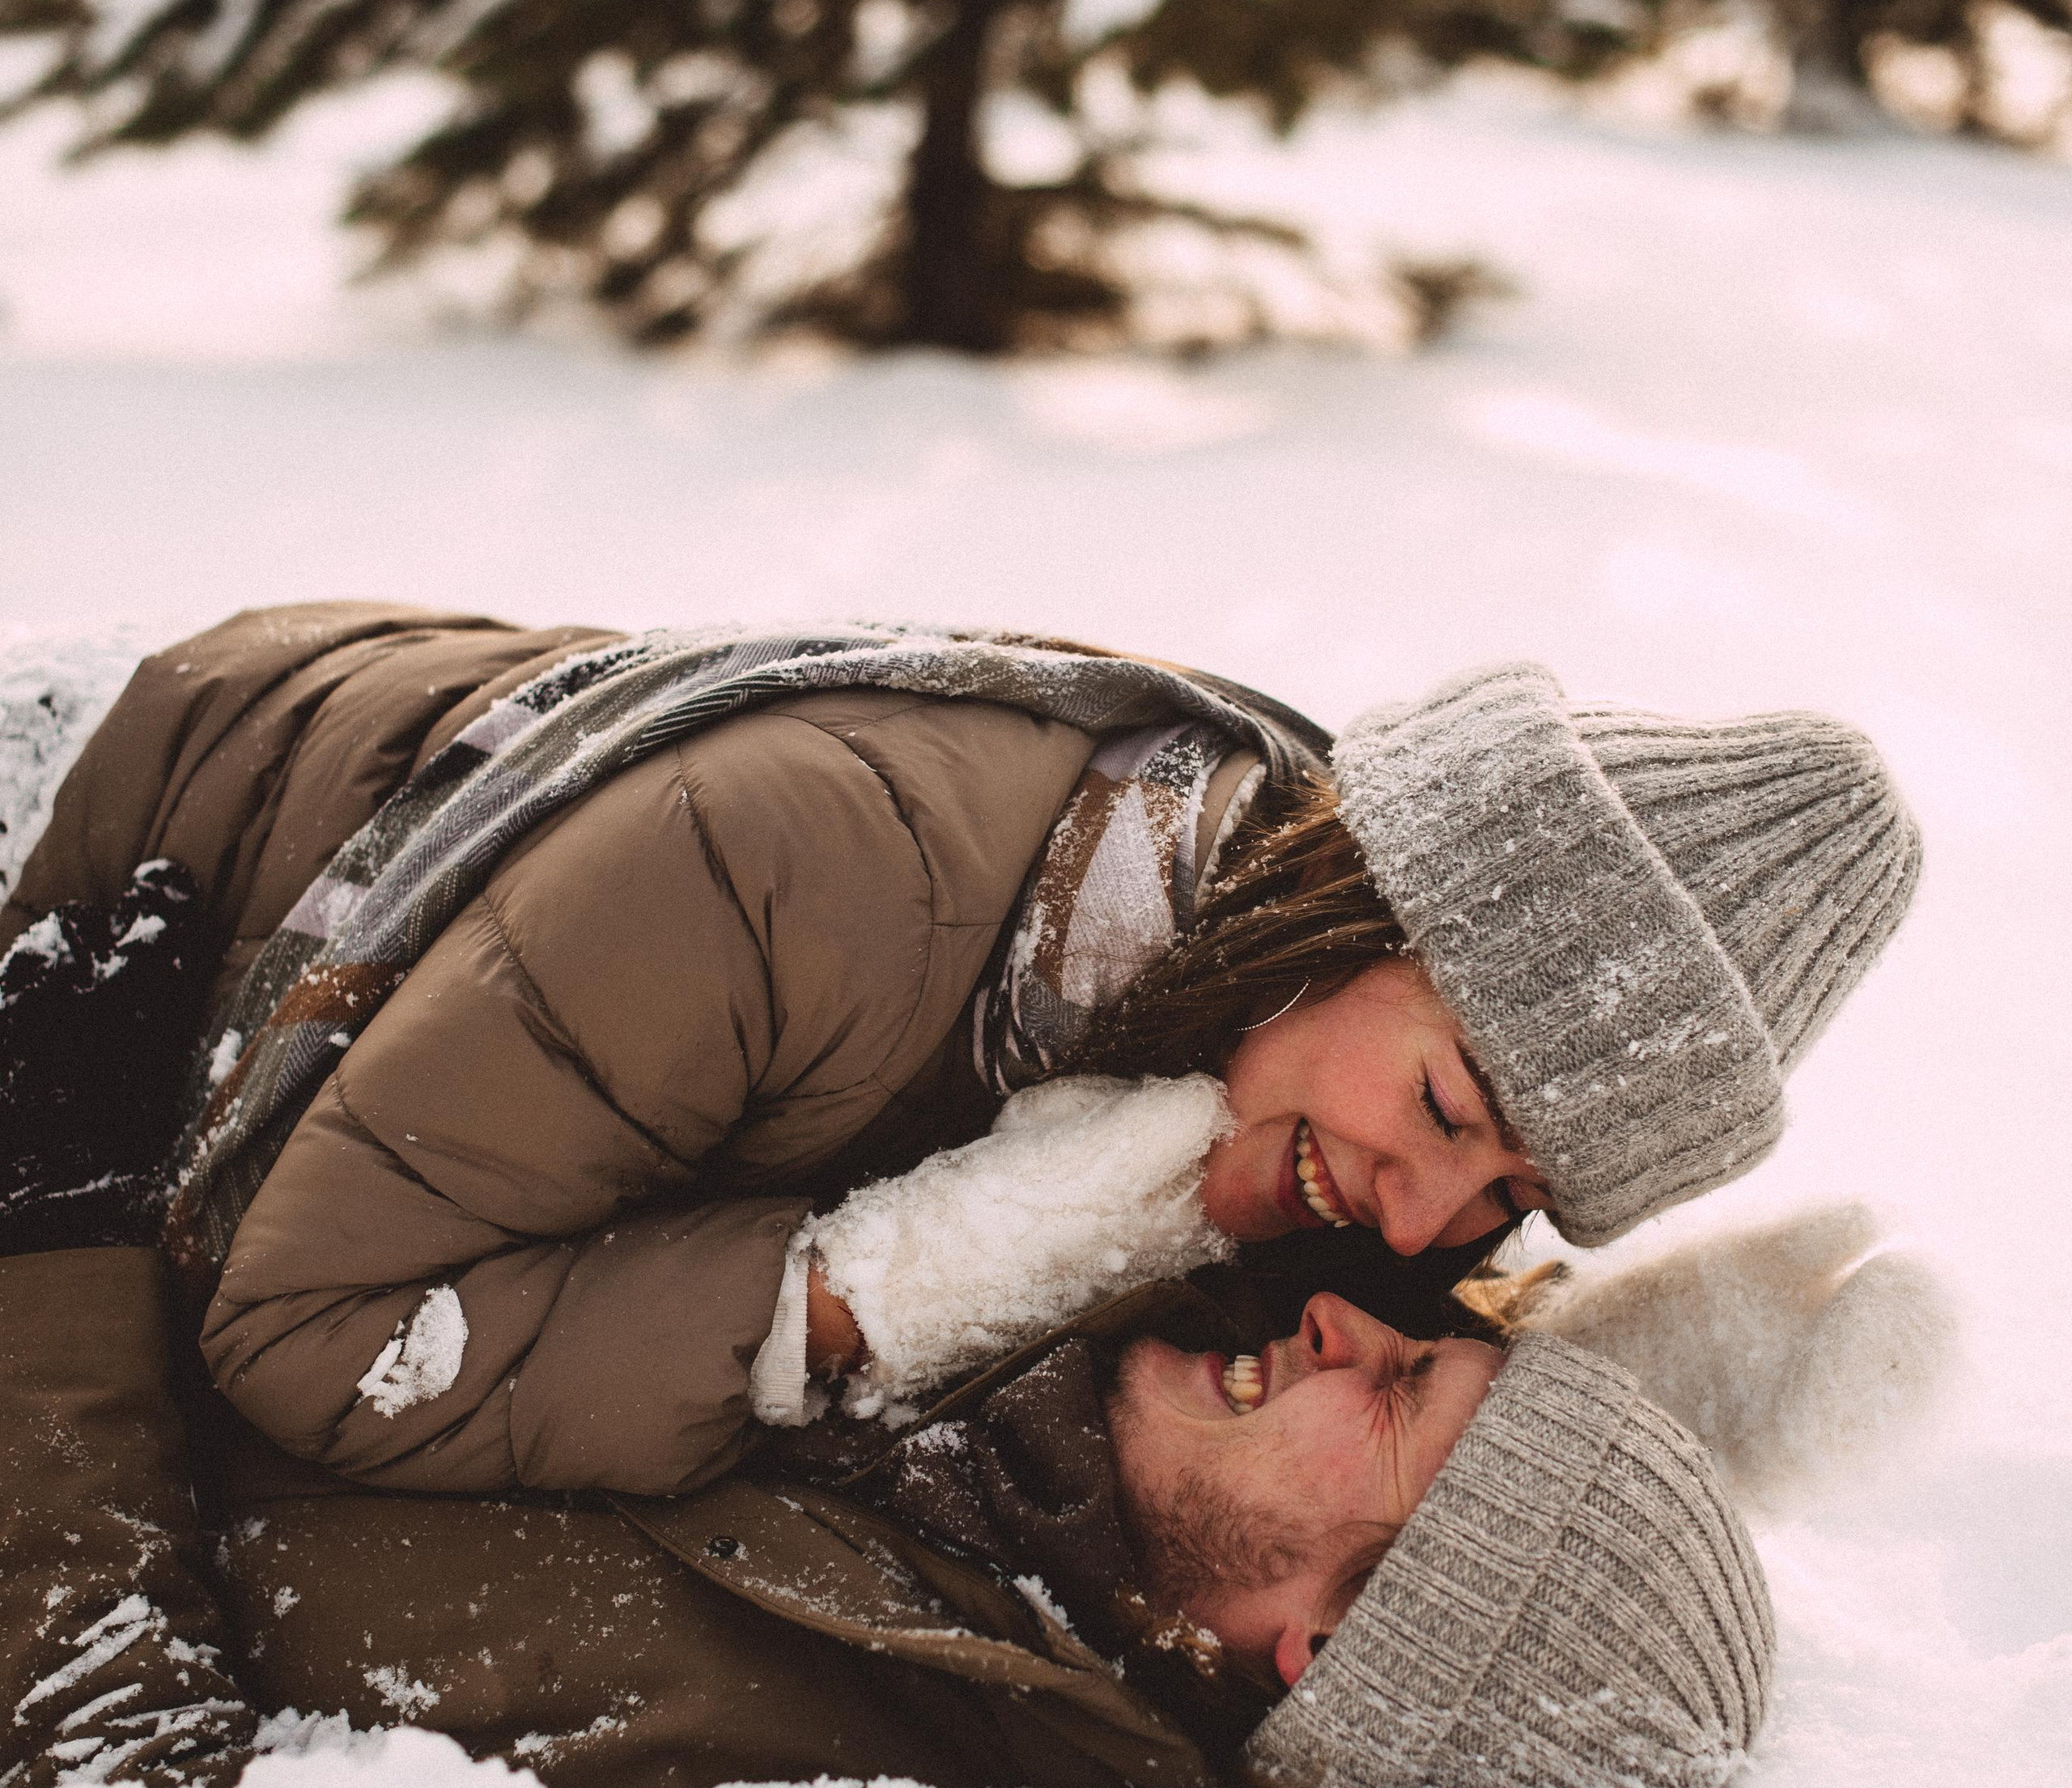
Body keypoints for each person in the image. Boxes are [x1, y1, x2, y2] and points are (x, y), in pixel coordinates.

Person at [0, 859, 1950, 1788]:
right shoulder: (1071, 1413)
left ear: (1324, 1653)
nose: (1342, 1317)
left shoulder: (825, 1727)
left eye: (1407, 1393)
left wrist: (54, 1241)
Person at [0, 601, 1921, 1522]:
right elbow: (315, 1326)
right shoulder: (791, 876)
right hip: (84, 830)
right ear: (1351, 902)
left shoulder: (1226, 1010)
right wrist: (862, 1300)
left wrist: (1596, 1403)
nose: (1418, 1217)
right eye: (1444, 1116)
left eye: (1505, 1197)